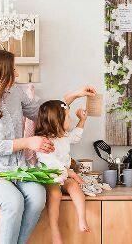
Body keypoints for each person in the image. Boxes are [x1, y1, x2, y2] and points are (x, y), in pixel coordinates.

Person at [0, 49, 96, 244]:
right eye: (12, 70)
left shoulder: (14, 92)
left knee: (38, 197)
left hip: (17, 169)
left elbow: (44, 113)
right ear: (0, 72)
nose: (16, 74)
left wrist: (75, 94)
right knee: (13, 201)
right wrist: (26, 142)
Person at [35, 100, 89, 244]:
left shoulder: (64, 136)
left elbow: (76, 137)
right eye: (68, 117)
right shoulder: (43, 140)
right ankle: (54, 230)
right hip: (49, 175)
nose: (70, 119)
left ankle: (82, 218)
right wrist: (71, 173)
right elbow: (50, 162)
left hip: (64, 175)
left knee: (75, 187)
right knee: (55, 193)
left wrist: (82, 121)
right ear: (57, 121)